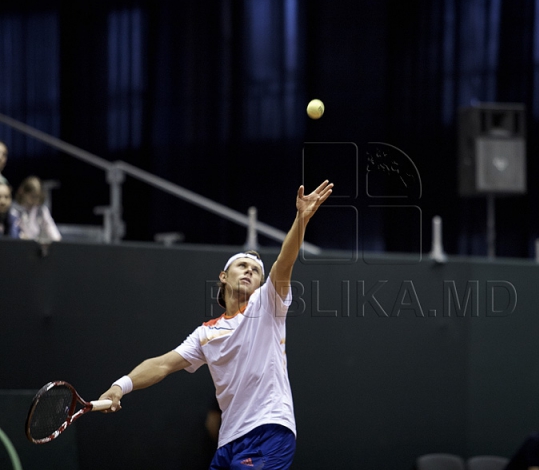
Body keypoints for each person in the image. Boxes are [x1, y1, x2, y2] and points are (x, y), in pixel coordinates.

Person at [98, 180, 333, 470]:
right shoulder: (206, 333)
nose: (250, 271)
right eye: (242, 266)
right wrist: (120, 387)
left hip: (269, 430)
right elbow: (162, 365)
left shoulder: (267, 304)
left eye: (256, 271)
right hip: (228, 442)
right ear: (223, 276)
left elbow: (284, 263)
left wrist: (302, 219)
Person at [12, 175, 62, 242]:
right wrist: (20, 236)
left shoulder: (41, 210)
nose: (35, 200)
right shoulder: (15, 211)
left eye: (37, 197)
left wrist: (57, 239)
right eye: (32, 196)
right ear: (23, 193)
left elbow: (49, 225)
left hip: (36, 245)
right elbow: (13, 230)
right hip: (20, 245)